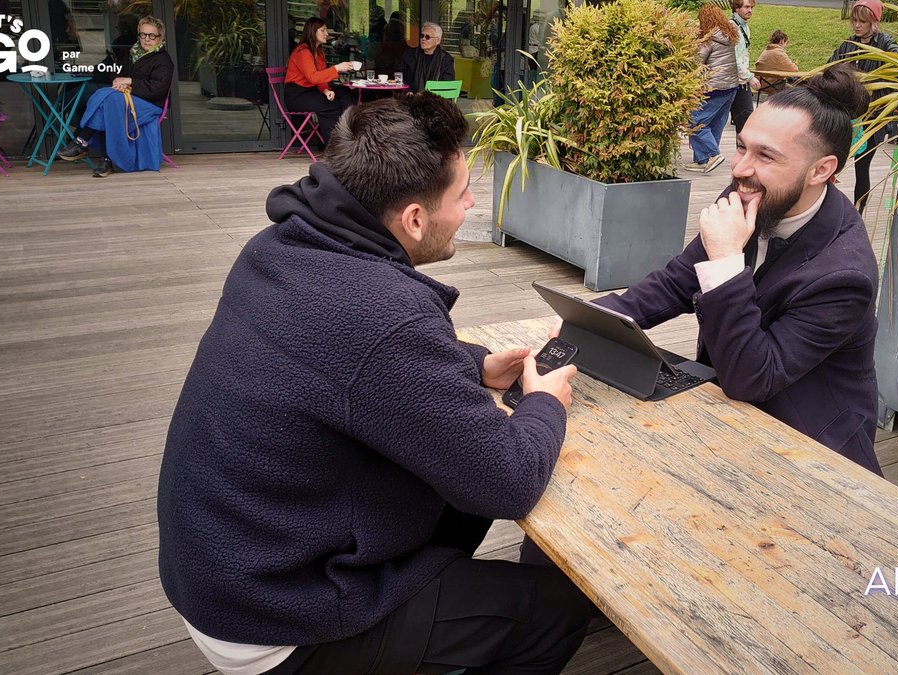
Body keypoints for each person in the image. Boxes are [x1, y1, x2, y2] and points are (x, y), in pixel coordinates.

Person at [158, 93, 591, 675]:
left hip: (223, 566)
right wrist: (543, 405)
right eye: (462, 193)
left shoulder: (282, 247)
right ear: (414, 218)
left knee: (454, 492)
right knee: (557, 609)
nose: (470, 206)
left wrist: (470, 365)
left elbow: (342, 362)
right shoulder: (384, 313)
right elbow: (509, 482)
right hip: (273, 615)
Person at [584, 64, 884, 475]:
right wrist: (591, 320)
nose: (740, 168)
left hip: (809, 453)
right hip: (728, 410)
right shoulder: (755, 191)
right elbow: (677, 282)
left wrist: (726, 259)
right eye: (741, 147)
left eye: (765, 156)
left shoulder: (844, 275)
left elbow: (754, 377)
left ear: (821, 170)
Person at [56, 16, 172, 178]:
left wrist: (130, 82)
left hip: (150, 104)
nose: (147, 39)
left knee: (107, 99)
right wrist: (120, 81)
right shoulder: (133, 53)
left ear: (161, 37)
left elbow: (157, 89)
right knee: (106, 102)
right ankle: (104, 160)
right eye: (143, 35)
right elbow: (119, 74)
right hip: (129, 98)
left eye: (152, 35)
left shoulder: (163, 60)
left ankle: (83, 142)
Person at [829, 0, 898, 213]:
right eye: (855, 20)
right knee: (831, 165)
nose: (857, 25)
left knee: (862, 169)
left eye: (863, 21)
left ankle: (857, 215)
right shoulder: (847, 45)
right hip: (845, 117)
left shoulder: (886, 45)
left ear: (874, 22)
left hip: (871, 120)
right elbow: (830, 66)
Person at [685, 3, 740, 174]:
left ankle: (711, 154)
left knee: (693, 121)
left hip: (713, 87)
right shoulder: (728, 36)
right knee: (716, 124)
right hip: (731, 87)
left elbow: (696, 63)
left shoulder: (708, 38)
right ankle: (702, 160)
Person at [285, 17, 358, 145]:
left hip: (311, 91)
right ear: (313, 32)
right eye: (323, 30)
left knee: (346, 92)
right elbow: (313, 77)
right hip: (297, 95)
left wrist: (326, 90)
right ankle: (334, 147)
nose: (327, 34)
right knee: (331, 105)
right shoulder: (303, 52)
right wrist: (336, 68)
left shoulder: (318, 51)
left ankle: (352, 131)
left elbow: (320, 77)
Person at [729, 0, 760, 135]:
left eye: (751, 7)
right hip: (732, 81)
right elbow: (733, 58)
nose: (750, 10)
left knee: (745, 123)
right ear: (736, 8)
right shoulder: (732, 27)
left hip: (741, 81)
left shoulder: (745, 27)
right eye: (746, 7)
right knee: (743, 121)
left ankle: (742, 154)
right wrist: (749, 77)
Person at [400, 22, 456, 93]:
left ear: (437, 41)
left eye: (427, 37)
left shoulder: (445, 59)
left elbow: (448, 85)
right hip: (411, 98)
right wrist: (408, 91)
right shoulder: (410, 55)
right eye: (422, 36)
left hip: (437, 100)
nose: (423, 39)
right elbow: (400, 77)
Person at [754, 30, 799, 98]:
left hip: (762, 83)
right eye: (786, 43)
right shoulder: (778, 53)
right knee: (798, 93)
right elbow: (794, 69)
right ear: (782, 41)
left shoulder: (767, 51)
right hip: (771, 85)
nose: (786, 46)